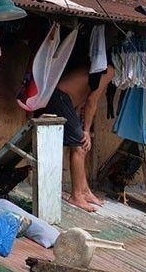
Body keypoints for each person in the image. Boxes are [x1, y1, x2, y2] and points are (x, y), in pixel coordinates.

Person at [39, 62, 116, 212]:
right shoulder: (109, 70)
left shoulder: (100, 67)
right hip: (60, 98)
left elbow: (83, 96)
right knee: (81, 145)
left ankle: (85, 191)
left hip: (64, 100)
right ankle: (76, 196)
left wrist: (81, 122)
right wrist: (86, 130)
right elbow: (92, 101)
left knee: (82, 147)